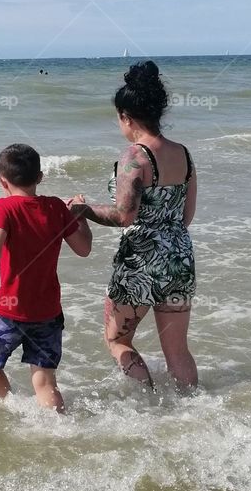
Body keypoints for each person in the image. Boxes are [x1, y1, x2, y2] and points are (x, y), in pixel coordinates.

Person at [67, 61, 198, 392]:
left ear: (127, 116)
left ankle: (148, 402)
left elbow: (124, 216)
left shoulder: (134, 158)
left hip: (140, 262)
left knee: (117, 339)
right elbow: (187, 215)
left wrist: (83, 210)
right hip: (179, 259)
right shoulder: (184, 155)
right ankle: (194, 407)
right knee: (178, 351)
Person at [0, 143, 92, 411]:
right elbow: (84, 249)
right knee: (45, 380)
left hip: (9, 310)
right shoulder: (56, 208)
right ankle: (58, 427)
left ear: (2, 181)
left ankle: (3, 408)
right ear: (40, 177)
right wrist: (80, 215)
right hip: (48, 312)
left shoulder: (4, 208)